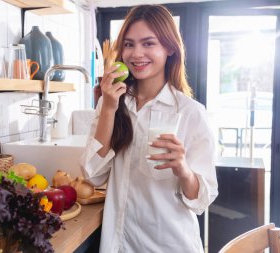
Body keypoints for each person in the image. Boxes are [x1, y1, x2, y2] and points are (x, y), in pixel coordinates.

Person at [80, 4, 218, 253]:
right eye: (129, 44)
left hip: (170, 244)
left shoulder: (190, 113)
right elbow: (93, 175)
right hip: (119, 244)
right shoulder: (111, 102)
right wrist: (109, 107)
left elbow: (202, 200)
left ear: (169, 48)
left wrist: (183, 170)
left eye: (148, 43)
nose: (136, 53)